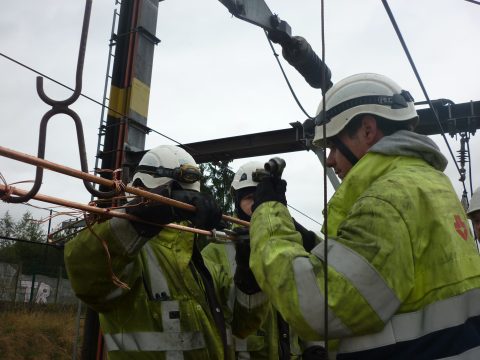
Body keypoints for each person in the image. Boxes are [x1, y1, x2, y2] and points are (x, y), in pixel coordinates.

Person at [248, 73, 480, 359]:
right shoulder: (434, 185)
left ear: (368, 129)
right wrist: (316, 247)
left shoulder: (387, 199)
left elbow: (315, 307)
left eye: (333, 145)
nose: (330, 159)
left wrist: (268, 214)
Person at [65, 145, 267, 360]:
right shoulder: (131, 254)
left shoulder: (202, 266)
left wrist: (249, 274)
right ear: (141, 189)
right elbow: (87, 273)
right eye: (174, 195)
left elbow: (242, 325)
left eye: (186, 197)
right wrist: (145, 216)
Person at [203, 161, 325, 359]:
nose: (256, 205)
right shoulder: (215, 252)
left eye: (261, 197)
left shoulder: (289, 244)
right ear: (237, 203)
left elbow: (308, 299)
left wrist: (314, 345)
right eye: (250, 198)